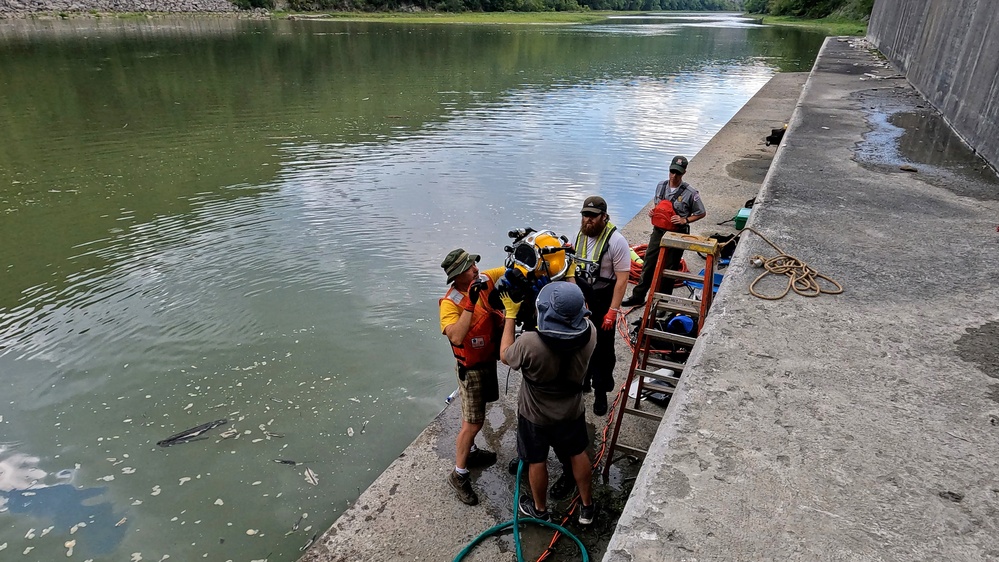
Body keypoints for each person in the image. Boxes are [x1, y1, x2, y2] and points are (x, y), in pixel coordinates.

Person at [498, 282, 598, 525]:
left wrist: (510, 315)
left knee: (536, 459)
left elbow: (505, 354)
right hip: (572, 410)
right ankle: (587, 507)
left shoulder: (530, 343)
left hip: (536, 415)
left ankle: (540, 509)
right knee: (577, 452)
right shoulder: (591, 332)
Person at [439, 248, 505, 506]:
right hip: (471, 370)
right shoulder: (450, 303)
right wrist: (470, 302)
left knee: (478, 415)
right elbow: (455, 336)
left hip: (487, 361)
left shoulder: (485, 280)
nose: (476, 269)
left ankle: (473, 452)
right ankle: (459, 474)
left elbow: (511, 270)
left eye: (475, 264)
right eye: (469, 267)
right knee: (473, 423)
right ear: (457, 275)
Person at [572, 196, 631, 417]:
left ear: (604, 217)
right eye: (585, 215)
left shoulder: (617, 242)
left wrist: (612, 312)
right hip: (583, 299)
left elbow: (623, 279)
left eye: (593, 216)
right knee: (579, 344)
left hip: (604, 299)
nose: (588, 220)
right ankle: (584, 381)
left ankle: (601, 392)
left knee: (603, 350)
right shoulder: (581, 235)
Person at [622, 155, 707, 307]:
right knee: (649, 263)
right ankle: (638, 296)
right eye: (672, 171)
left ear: (684, 173)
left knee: (669, 269)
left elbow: (701, 212)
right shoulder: (661, 186)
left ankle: (662, 302)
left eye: (678, 173)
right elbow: (659, 206)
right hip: (659, 231)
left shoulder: (690, 193)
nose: (674, 176)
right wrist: (653, 212)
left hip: (677, 233)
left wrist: (685, 220)